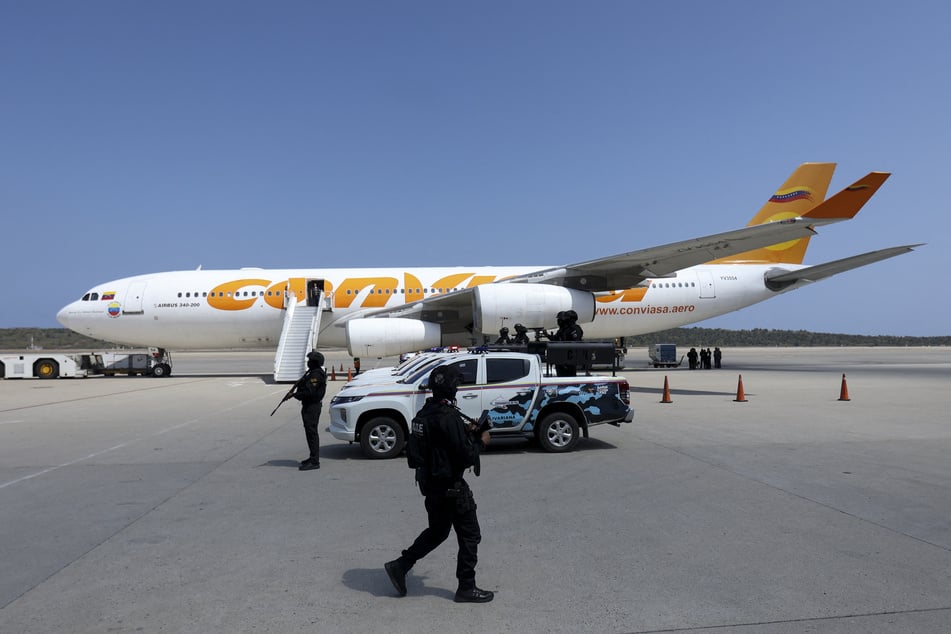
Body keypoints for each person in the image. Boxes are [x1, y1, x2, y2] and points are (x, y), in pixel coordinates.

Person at [384, 365, 494, 603]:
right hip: (450, 487)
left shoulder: (425, 412)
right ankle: (466, 587)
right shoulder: (448, 416)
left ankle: (401, 565)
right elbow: (464, 456)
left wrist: (466, 431)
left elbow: (439, 443)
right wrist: (481, 441)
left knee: (438, 531)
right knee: (470, 535)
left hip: (430, 485)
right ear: (452, 388)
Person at [295, 350, 327, 471]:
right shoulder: (312, 373)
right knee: (310, 432)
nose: (308, 363)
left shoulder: (316, 375)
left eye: (310, 361)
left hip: (312, 407)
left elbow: (309, 392)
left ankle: (314, 461)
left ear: (315, 362)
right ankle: (312, 457)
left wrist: (295, 395)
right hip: (309, 406)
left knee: (312, 433)